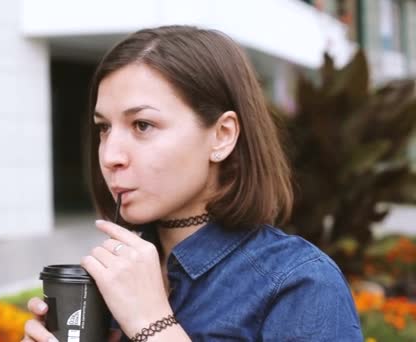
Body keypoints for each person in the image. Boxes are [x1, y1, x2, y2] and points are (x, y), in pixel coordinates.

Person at [22, 25, 363, 341]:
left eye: (142, 125)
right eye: (104, 128)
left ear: (222, 136)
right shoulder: (114, 280)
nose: (110, 155)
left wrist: (153, 325)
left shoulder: (299, 283)